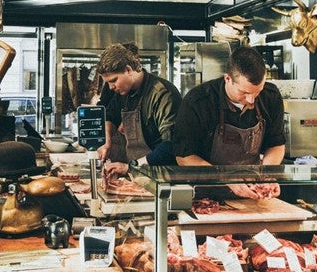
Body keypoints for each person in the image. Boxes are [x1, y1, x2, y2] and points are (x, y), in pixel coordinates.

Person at [172, 46, 285, 199]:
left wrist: (266, 175)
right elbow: (184, 157)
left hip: (253, 194)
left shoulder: (271, 96)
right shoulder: (198, 102)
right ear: (227, 78)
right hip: (206, 195)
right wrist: (225, 177)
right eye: (244, 92)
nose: (251, 100)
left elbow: (275, 144)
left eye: (257, 91)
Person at [95, 42, 181, 179]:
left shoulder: (162, 94)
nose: (111, 87)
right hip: (138, 173)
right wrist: (107, 140)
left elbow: (171, 145)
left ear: (128, 70)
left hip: (162, 174)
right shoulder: (124, 92)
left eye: (114, 80)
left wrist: (132, 166)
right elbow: (111, 116)